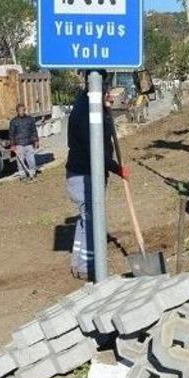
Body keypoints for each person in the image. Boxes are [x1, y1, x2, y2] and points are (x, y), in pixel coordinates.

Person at [65, 72, 130, 281]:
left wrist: (105, 109)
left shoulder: (87, 105)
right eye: (106, 91)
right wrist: (116, 168)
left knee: (85, 219)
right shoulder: (86, 113)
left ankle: (77, 262)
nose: (109, 95)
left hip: (82, 174)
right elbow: (94, 148)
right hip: (84, 175)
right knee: (93, 221)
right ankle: (86, 267)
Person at [8, 103, 39, 180]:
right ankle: (22, 175)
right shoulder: (13, 121)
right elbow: (11, 134)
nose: (21, 112)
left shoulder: (30, 119)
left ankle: (32, 173)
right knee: (20, 161)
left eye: (23, 110)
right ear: (17, 111)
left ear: (25, 110)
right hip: (19, 144)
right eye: (19, 110)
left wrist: (36, 141)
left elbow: (34, 131)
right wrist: (12, 145)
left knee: (31, 159)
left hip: (29, 143)